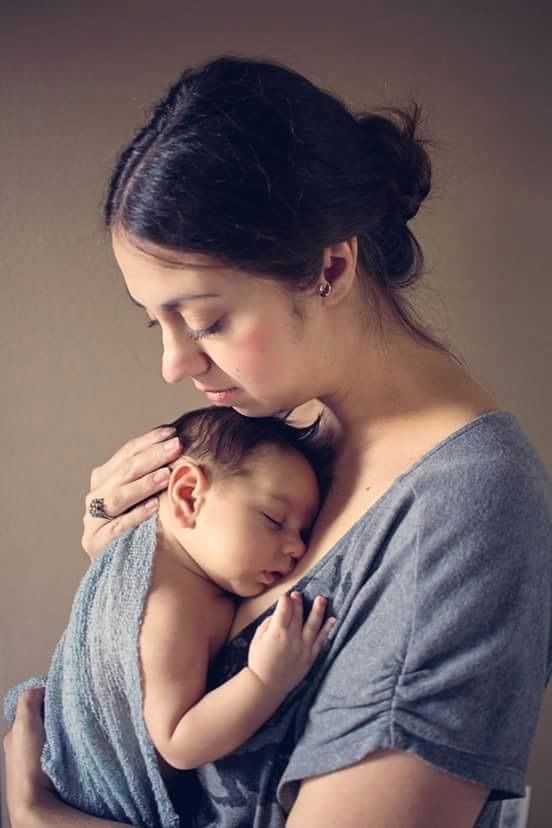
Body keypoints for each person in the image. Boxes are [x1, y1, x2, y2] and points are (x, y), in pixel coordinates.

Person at [4, 54, 552, 828]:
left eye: (207, 320)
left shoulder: (469, 515)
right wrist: (132, 567)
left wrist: (42, 820)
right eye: (155, 322)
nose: (174, 364)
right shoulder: (291, 446)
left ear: (328, 267)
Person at [4, 405, 336, 827]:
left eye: (304, 533)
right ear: (187, 495)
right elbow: (179, 740)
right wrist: (266, 681)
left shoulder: (185, 575)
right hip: (87, 794)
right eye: (274, 520)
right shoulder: (167, 605)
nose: (296, 548)